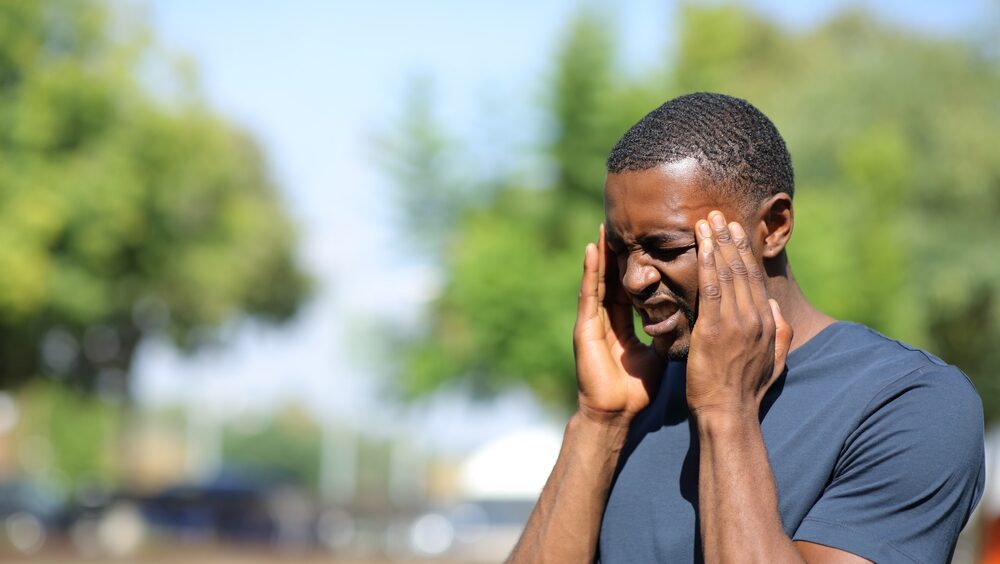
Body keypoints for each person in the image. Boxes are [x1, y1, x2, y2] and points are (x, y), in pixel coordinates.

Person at [507, 92, 984, 563]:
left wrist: (725, 411)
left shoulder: (910, 402)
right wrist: (600, 421)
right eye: (622, 249)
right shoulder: (636, 400)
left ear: (773, 226)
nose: (634, 279)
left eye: (667, 248)